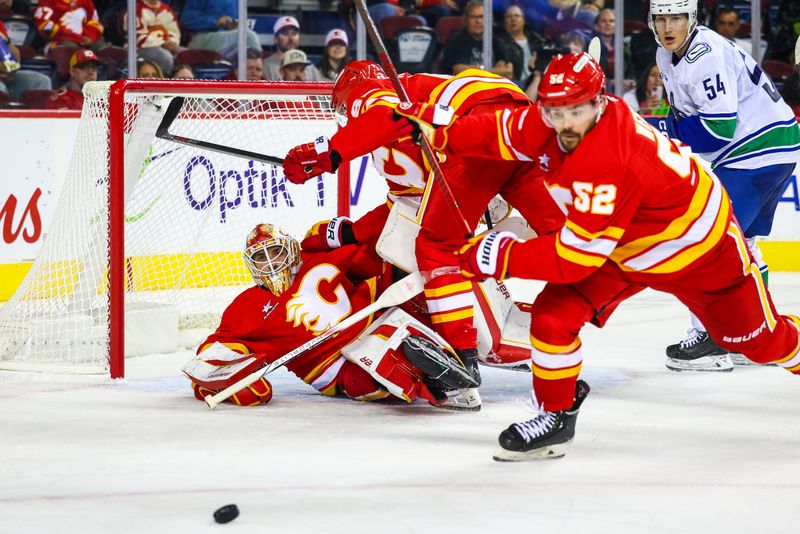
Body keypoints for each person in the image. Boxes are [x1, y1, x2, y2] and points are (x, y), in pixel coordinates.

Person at [394, 52, 800, 461]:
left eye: (576, 111)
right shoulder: (551, 121)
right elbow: (498, 131)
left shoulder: (610, 157)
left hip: (696, 249)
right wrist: (438, 125)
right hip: (622, 246)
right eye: (555, 112)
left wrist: (497, 256)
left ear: (600, 102)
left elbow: (573, 259)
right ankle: (555, 416)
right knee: (554, 317)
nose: (566, 124)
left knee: (760, 342)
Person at [282, 61, 566, 382]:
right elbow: (404, 206)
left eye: (345, 112)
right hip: (520, 127)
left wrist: (329, 151)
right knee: (569, 238)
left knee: (436, 246)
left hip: (476, 127)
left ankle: (461, 356)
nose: (347, 119)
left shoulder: (374, 92)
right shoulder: (411, 119)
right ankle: (577, 311)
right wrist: (352, 231)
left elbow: (386, 116)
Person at [184, 223, 480, 409]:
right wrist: (222, 373)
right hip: (334, 364)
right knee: (374, 360)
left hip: (375, 317)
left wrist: (336, 232)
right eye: (261, 257)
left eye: (274, 251)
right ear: (251, 265)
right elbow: (217, 348)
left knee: (408, 270)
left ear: (290, 249)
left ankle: (464, 339)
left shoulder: (319, 259)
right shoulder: (246, 305)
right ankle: (441, 385)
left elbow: (374, 248)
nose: (270, 261)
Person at [652, 0, 800, 370]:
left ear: (692, 19)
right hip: (773, 145)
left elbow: (718, 132)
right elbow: (685, 115)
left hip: (755, 151)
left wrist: (656, 130)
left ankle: (716, 340)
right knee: (742, 241)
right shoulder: (666, 54)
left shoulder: (704, 56)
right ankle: (756, 334)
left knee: (707, 241)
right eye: (661, 18)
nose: (669, 26)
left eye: (677, 18)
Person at [441, 0, 514, 79]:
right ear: (466, 20)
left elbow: (509, 71)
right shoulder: (457, 40)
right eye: (473, 17)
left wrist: (474, 69)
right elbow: (459, 70)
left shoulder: (497, 42)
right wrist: (494, 71)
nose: (478, 21)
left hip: (491, 87)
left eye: (481, 17)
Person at [179, 0, 261, 63]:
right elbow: (187, 20)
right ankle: (262, 78)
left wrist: (234, 25)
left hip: (227, 40)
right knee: (248, 36)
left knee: (247, 49)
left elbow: (235, 20)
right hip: (202, 38)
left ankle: (252, 78)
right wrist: (215, 22)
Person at [0, 19, 52, 101]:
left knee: (41, 81)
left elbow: (13, 64)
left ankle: (41, 114)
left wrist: (7, 42)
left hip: (4, 77)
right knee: (1, 89)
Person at [498, 4, 547, 87]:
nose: (513, 19)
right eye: (509, 16)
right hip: (514, 84)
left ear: (524, 20)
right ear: (504, 21)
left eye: (517, 16)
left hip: (537, 81)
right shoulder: (500, 42)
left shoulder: (536, 39)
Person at [129, 0, 181, 76]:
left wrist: (173, 42)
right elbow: (138, 35)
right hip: (142, 47)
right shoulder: (136, 8)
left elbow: (174, 31)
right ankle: (163, 83)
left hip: (166, 46)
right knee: (165, 57)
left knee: (185, 54)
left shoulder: (167, 9)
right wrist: (162, 43)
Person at [263, 16, 321, 82]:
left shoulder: (310, 68)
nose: (291, 38)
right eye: (285, 33)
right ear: (275, 39)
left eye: (294, 33)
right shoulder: (266, 66)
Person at [33, 0, 103, 52]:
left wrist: (90, 37)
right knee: (71, 48)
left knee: (103, 48)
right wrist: (79, 39)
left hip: (84, 40)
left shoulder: (86, 1)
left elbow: (94, 22)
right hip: (58, 42)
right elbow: (44, 25)